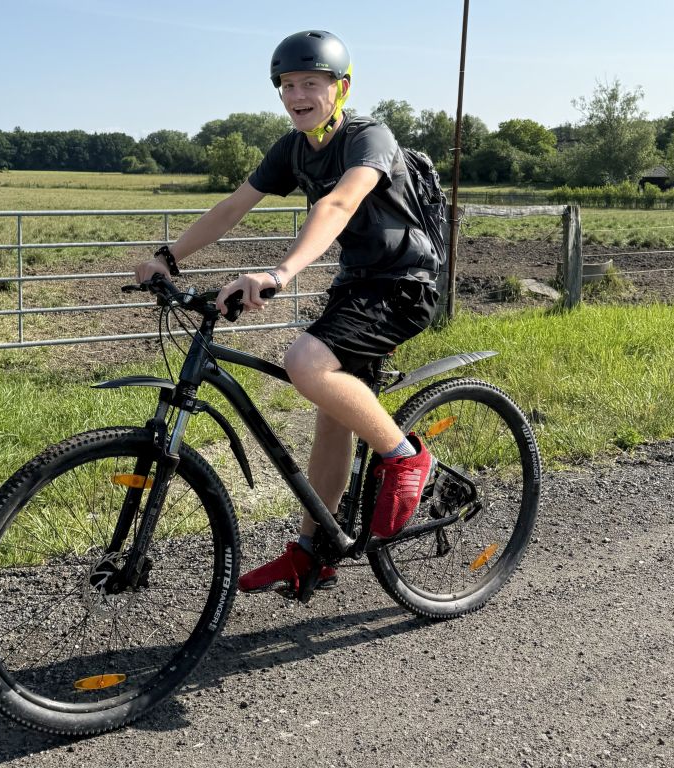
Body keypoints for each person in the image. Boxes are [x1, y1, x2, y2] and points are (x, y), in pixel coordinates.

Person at [133, 29, 441, 595]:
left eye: (311, 84)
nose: (297, 95)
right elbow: (233, 207)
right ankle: (313, 551)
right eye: (288, 85)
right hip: (356, 286)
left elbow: (339, 203)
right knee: (334, 414)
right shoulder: (292, 148)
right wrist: (168, 257)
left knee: (305, 362)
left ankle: (405, 458)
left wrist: (279, 274)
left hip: (403, 284)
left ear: (341, 88)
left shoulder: (369, 137)